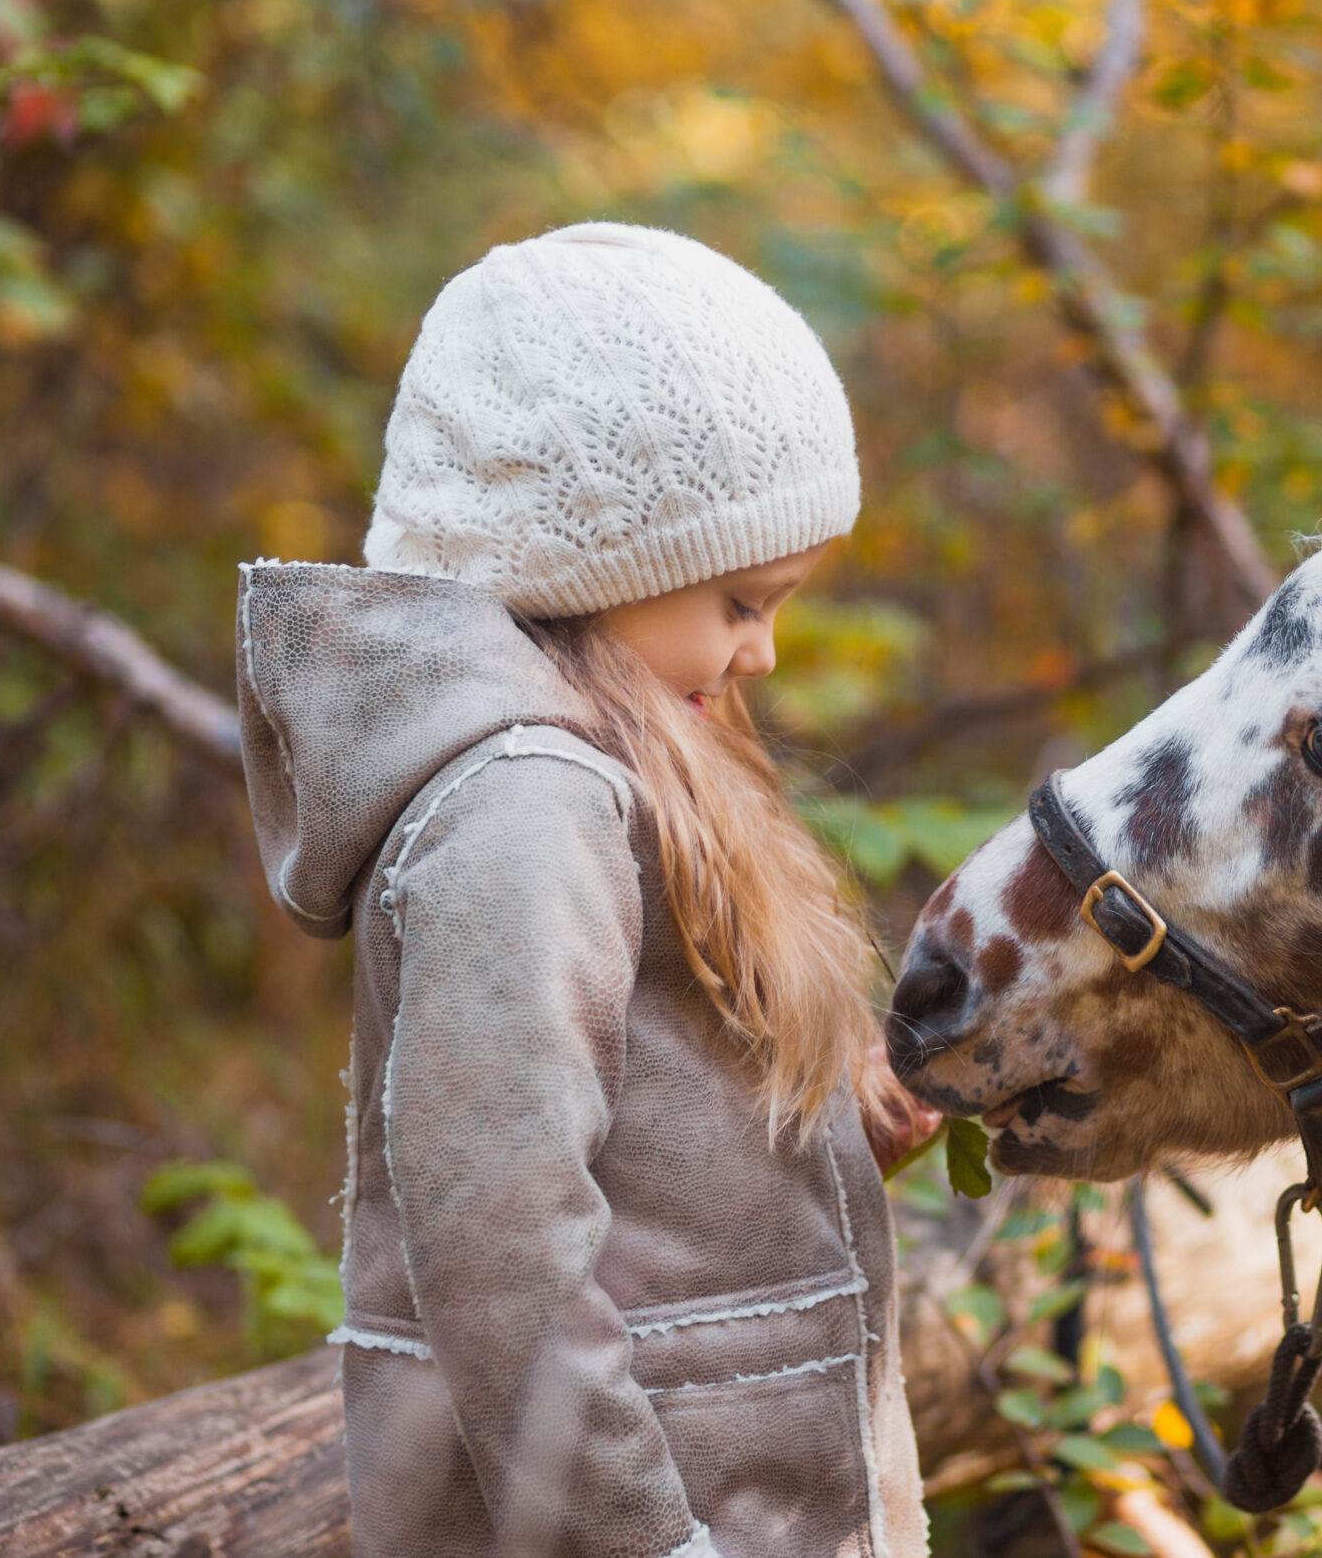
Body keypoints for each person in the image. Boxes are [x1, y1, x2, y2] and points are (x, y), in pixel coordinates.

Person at [235, 222, 943, 1558]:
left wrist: (828, 1129)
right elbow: (499, 1235)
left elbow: (633, 1151)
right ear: (596, 562)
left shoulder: (601, 777)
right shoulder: (524, 810)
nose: (766, 652)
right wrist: (649, 1542)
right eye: (741, 600)